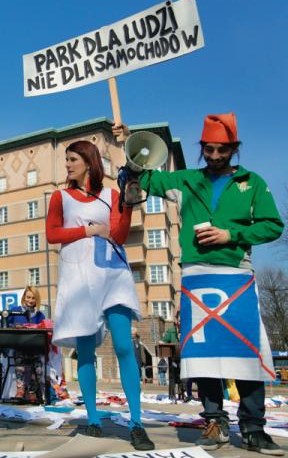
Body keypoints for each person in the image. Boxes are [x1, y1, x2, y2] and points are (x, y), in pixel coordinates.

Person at [115, 114, 284, 455]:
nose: (215, 156)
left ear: (234, 148)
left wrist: (230, 235)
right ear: (202, 148)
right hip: (196, 274)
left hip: (236, 273)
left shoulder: (252, 183)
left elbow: (272, 225)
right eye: (209, 149)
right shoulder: (186, 180)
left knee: (245, 352)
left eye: (222, 149)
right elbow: (143, 178)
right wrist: (130, 143)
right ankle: (214, 422)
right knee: (204, 353)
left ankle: (253, 429)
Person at [46, 140, 154, 451]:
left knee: (124, 346)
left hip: (112, 274)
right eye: (67, 159)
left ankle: (136, 423)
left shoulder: (112, 195)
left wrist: (128, 206)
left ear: (89, 161)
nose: (68, 165)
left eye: (73, 159)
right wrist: (87, 231)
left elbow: (119, 235)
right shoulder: (60, 197)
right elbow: (52, 233)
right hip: (79, 278)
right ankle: (93, 419)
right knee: (85, 351)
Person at [0, 287, 47, 402]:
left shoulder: (40, 315)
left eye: (33, 298)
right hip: (19, 345)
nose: (30, 300)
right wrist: (13, 326)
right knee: (19, 360)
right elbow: (1, 323)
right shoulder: (15, 310)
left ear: (37, 300)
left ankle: (32, 391)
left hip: (34, 346)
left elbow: (43, 328)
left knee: (38, 366)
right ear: (24, 297)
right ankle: (20, 389)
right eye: (28, 297)